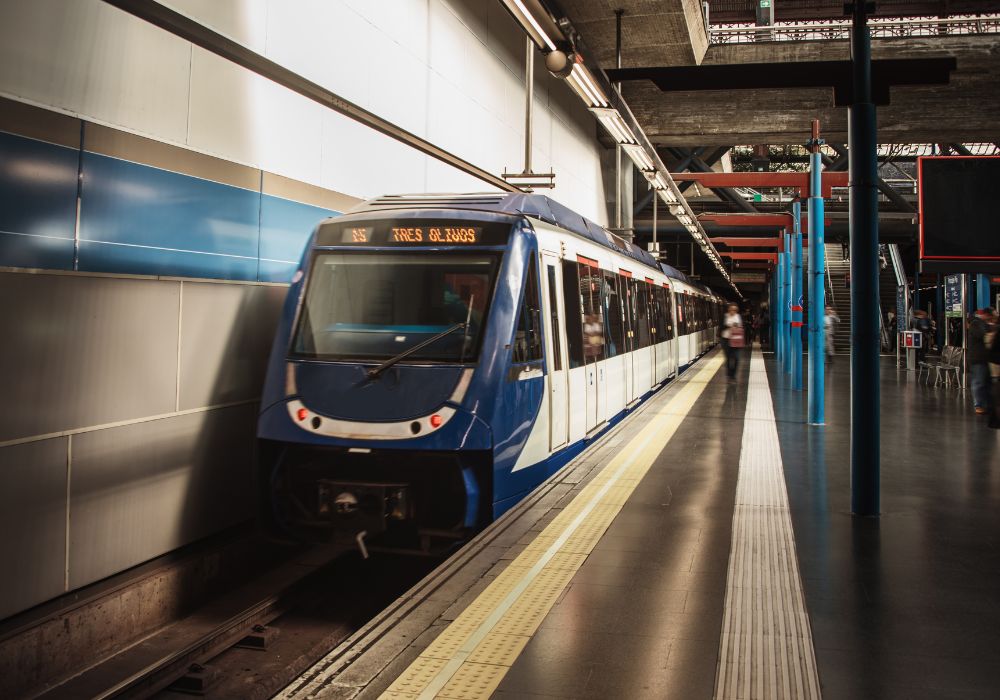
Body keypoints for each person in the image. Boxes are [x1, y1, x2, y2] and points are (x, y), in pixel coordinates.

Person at [968, 308, 993, 415]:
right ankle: (978, 404)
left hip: (984, 358)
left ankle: (985, 404)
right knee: (978, 382)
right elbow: (983, 335)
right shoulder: (976, 324)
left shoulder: (982, 324)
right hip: (977, 358)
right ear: (986, 315)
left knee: (985, 382)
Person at [721, 303, 743, 382]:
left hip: (736, 340)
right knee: (728, 358)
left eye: (734, 310)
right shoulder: (725, 316)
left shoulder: (738, 317)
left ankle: (733, 374)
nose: (733, 311)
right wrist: (728, 326)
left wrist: (736, 326)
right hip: (726, 340)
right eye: (731, 309)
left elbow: (741, 327)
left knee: (736, 358)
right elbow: (721, 327)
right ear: (728, 309)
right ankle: (729, 374)